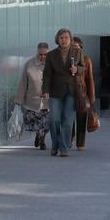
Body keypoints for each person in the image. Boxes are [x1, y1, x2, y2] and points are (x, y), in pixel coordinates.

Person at [41, 28, 82, 156]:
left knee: (68, 121)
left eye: (66, 37)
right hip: (55, 90)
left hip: (71, 90)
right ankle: (55, 144)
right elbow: (47, 74)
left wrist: (77, 69)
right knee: (54, 119)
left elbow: (83, 67)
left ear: (70, 39)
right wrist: (45, 90)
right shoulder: (51, 54)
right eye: (61, 38)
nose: (64, 40)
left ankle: (64, 149)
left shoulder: (77, 52)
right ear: (57, 39)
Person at [15, 42, 50, 150]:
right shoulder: (29, 64)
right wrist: (18, 100)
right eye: (40, 54)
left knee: (45, 123)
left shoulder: (52, 64)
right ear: (37, 52)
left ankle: (42, 140)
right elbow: (23, 83)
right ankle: (38, 135)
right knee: (33, 122)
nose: (43, 57)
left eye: (45, 54)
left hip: (47, 101)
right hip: (32, 100)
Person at [67, 36, 95, 151]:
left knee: (81, 117)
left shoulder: (86, 60)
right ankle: (69, 139)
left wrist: (92, 98)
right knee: (69, 117)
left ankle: (81, 143)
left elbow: (90, 79)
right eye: (72, 46)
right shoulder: (67, 60)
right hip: (69, 91)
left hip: (82, 92)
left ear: (81, 47)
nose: (74, 48)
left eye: (76, 46)